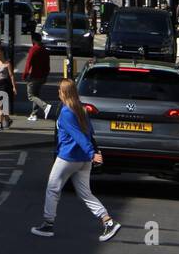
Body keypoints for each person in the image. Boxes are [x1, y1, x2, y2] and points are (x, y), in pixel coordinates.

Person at [30, 78, 122, 242]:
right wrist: (94, 151)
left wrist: (92, 153)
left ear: (64, 93)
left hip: (68, 157)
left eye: (59, 90)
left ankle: (48, 224)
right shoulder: (81, 109)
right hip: (84, 160)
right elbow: (89, 133)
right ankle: (108, 221)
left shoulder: (66, 112)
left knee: (52, 188)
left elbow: (78, 136)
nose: (58, 92)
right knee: (86, 193)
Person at [21, 37, 51, 121]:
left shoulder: (33, 49)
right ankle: (34, 114)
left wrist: (25, 75)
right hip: (42, 76)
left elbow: (28, 63)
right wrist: (46, 75)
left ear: (33, 40)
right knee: (36, 94)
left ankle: (45, 106)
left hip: (34, 76)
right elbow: (47, 65)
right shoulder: (44, 49)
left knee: (31, 96)